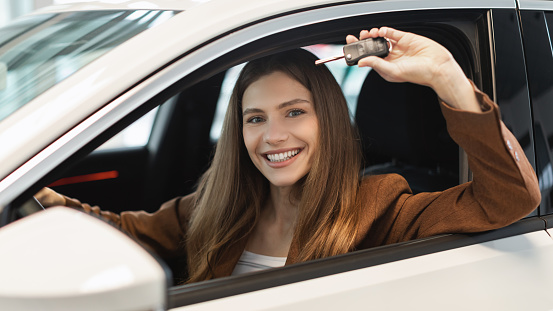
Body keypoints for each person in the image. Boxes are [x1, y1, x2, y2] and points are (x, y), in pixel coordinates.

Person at [36, 27, 541, 284]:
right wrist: (32, 195)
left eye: (294, 112)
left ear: (328, 120)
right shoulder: (216, 206)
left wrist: (445, 75)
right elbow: (122, 233)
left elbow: (510, 198)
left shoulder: (382, 207)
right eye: (255, 118)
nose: (273, 135)